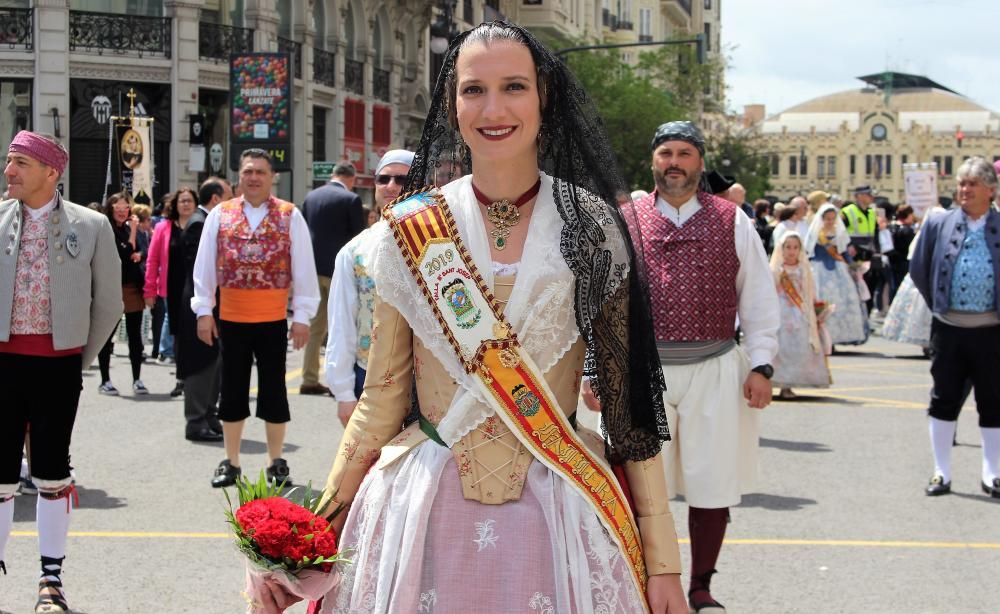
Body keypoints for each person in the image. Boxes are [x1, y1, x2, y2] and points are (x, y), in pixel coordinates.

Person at [258, 21, 686, 614]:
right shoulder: (409, 231)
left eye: (514, 86)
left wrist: (663, 560)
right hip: (424, 510)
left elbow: (628, 405)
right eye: (473, 89)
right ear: (452, 104)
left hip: (557, 507)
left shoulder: (593, 228)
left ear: (545, 99)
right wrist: (315, 532)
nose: (493, 108)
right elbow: (380, 401)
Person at [620, 120, 778, 614]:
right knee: (643, 486)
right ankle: (647, 583)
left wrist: (762, 365)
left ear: (700, 162)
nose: (674, 163)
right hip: (646, 373)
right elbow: (605, 300)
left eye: (684, 153)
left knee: (712, 482)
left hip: (714, 367)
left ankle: (701, 587)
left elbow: (757, 294)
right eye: (666, 152)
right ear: (653, 162)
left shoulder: (731, 219)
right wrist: (595, 369)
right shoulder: (627, 218)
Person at [0, 130, 122, 614]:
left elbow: (109, 303)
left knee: (52, 472)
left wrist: (75, 357)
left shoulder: (90, 225)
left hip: (57, 368)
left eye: (19, 164)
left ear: (51, 173)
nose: (9, 171)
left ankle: (51, 580)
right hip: (2, 365)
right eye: (9, 162)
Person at [192, 149, 320, 488]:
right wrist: (204, 310)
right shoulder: (221, 214)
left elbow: (304, 269)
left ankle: (276, 460)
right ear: (239, 175)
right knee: (231, 391)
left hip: (273, 319)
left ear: (271, 176)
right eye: (248, 170)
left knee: (274, 390)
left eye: (260, 172)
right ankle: (231, 461)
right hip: (232, 317)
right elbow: (204, 267)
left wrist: (303, 316)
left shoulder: (290, 215)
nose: (253, 177)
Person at [910, 157, 1000, 498]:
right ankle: (941, 472)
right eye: (962, 184)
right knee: (944, 398)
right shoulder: (938, 223)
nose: (964, 190)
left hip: (992, 329)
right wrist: (939, 306)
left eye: (972, 184)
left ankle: (992, 473)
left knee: (993, 399)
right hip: (949, 328)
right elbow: (920, 268)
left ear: (990, 190)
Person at [325, 149, 414, 426]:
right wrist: (343, 392)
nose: (390, 187)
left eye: (401, 179)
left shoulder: (444, 243)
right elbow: (342, 323)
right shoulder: (354, 251)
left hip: (429, 382)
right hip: (369, 376)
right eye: (383, 179)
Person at [174, 177, 233, 443]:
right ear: (216, 199)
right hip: (200, 304)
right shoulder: (200, 223)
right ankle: (196, 420)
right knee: (201, 363)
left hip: (213, 303)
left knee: (214, 363)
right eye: (230, 195)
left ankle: (208, 415)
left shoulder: (204, 220)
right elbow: (204, 272)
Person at [299, 162, 365, 396]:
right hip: (340, 272)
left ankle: (308, 377)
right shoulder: (350, 200)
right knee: (343, 325)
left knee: (316, 327)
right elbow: (360, 238)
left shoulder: (311, 197)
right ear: (351, 178)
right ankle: (340, 381)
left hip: (313, 269)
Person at [144, 189, 197, 398]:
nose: (185, 205)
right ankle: (181, 378)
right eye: (182, 201)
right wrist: (149, 290)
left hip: (196, 288)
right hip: (173, 289)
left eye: (189, 201)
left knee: (197, 333)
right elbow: (152, 259)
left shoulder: (201, 224)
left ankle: (198, 378)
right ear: (175, 205)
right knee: (178, 334)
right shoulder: (163, 228)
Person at [96, 191, 149, 395]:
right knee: (107, 336)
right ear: (111, 208)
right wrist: (133, 233)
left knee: (135, 336)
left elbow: (142, 250)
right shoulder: (107, 228)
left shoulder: (129, 228)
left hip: (132, 287)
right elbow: (124, 252)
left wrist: (139, 253)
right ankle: (105, 380)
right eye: (117, 207)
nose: (121, 211)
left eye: (125, 207)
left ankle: (137, 379)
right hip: (112, 287)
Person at [770, 232, 831, 399]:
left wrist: (816, 309)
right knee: (780, 347)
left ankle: (790, 383)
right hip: (780, 311)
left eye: (795, 247)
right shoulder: (776, 269)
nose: (792, 251)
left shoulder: (804, 268)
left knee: (798, 346)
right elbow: (768, 292)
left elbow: (810, 290)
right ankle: (778, 381)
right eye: (788, 247)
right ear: (781, 249)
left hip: (800, 312)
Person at [806, 203, 868, 346]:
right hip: (819, 268)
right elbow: (808, 251)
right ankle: (821, 338)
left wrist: (852, 265)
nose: (830, 221)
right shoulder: (816, 232)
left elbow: (844, 251)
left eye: (833, 218)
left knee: (841, 303)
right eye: (827, 218)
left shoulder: (839, 232)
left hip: (838, 269)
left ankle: (836, 338)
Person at [841, 186, 881, 312]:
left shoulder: (871, 213)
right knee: (854, 287)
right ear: (858, 196)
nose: (871, 197)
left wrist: (878, 253)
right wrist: (848, 247)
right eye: (868, 194)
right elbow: (840, 233)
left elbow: (875, 234)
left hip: (869, 255)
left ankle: (866, 317)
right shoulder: (847, 212)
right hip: (854, 256)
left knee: (869, 287)